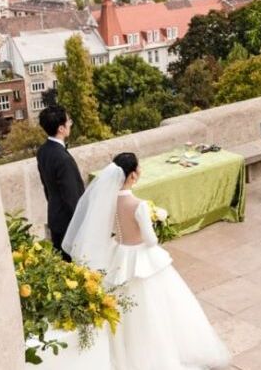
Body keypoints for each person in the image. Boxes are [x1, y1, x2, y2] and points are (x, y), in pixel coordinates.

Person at [63, 153, 230, 370]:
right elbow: (151, 240)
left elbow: (111, 231)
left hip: (120, 256)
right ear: (132, 175)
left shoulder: (107, 201)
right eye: (138, 168)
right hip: (141, 257)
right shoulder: (138, 204)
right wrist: (155, 221)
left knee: (126, 311)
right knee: (158, 309)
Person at [36, 105, 85, 260]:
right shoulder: (63, 159)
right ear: (61, 128)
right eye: (68, 121)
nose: (70, 123)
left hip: (55, 217)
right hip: (68, 224)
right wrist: (82, 223)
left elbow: (47, 187)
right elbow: (71, 196)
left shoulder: (42, 151)